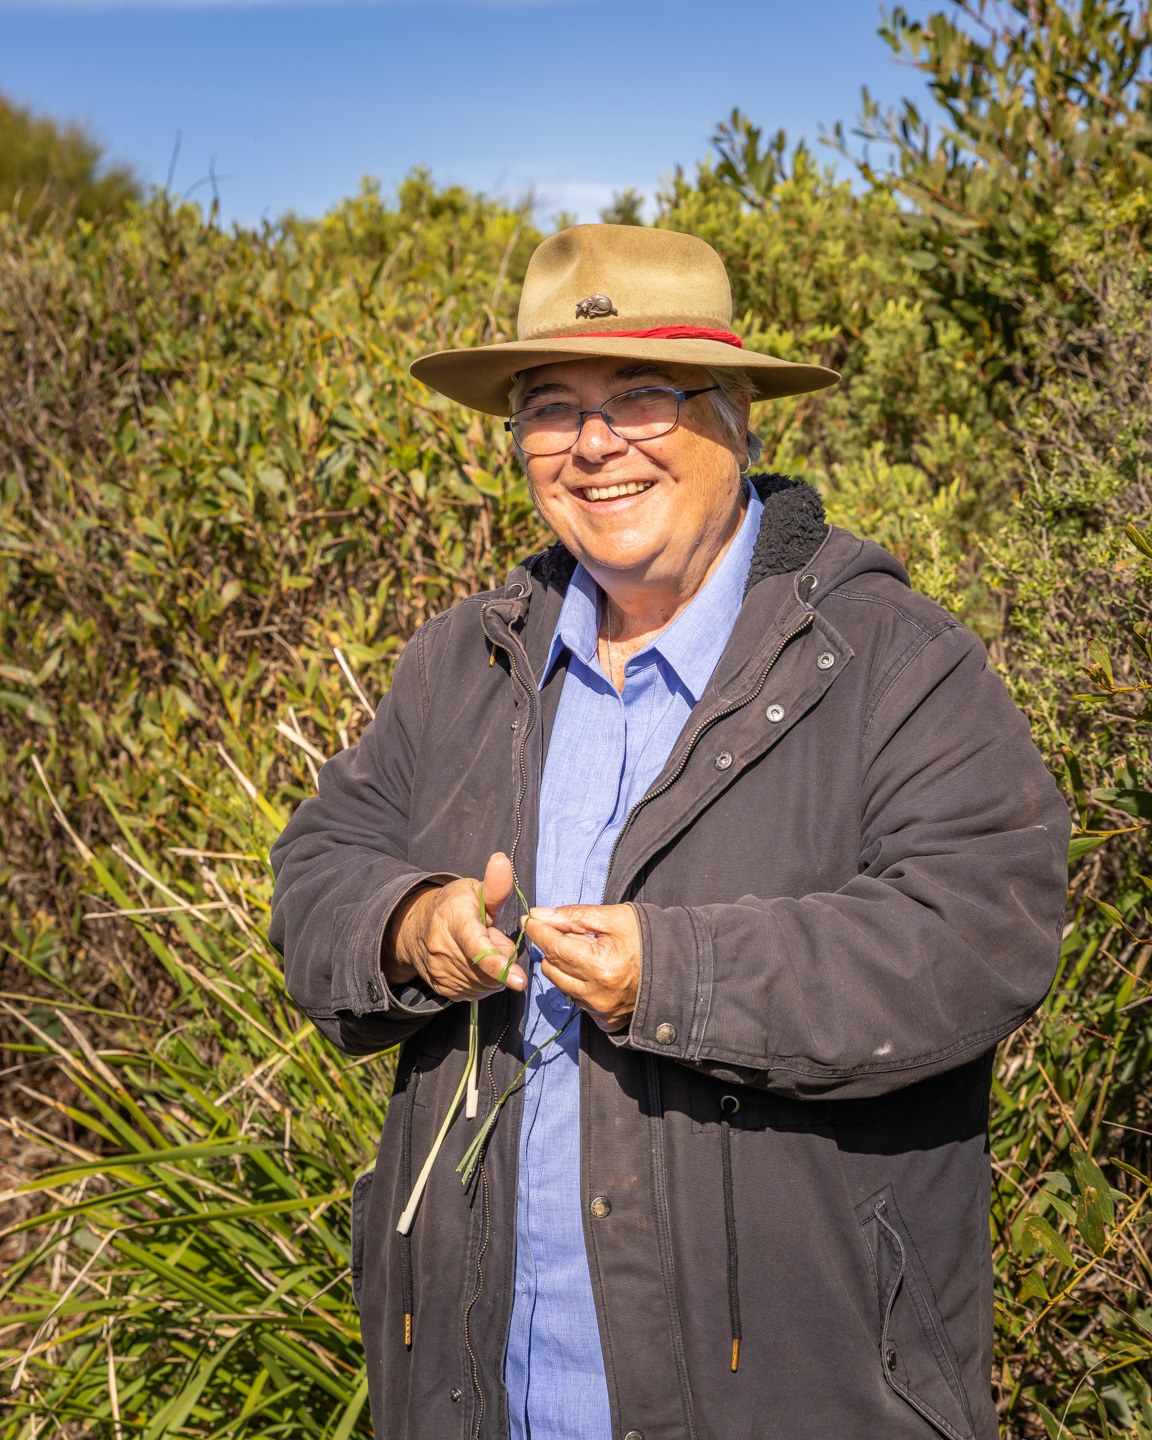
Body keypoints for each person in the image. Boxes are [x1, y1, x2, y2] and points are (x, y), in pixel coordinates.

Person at [269, 224, 1070, 1440]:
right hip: (481, 1404)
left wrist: (674, 974)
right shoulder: (465, 662)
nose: (595, 445)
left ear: (737, 413)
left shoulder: (894, 662)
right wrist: (410, 931)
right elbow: (317, 873)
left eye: (643, 395)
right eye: (551, 407)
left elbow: (979, 932)